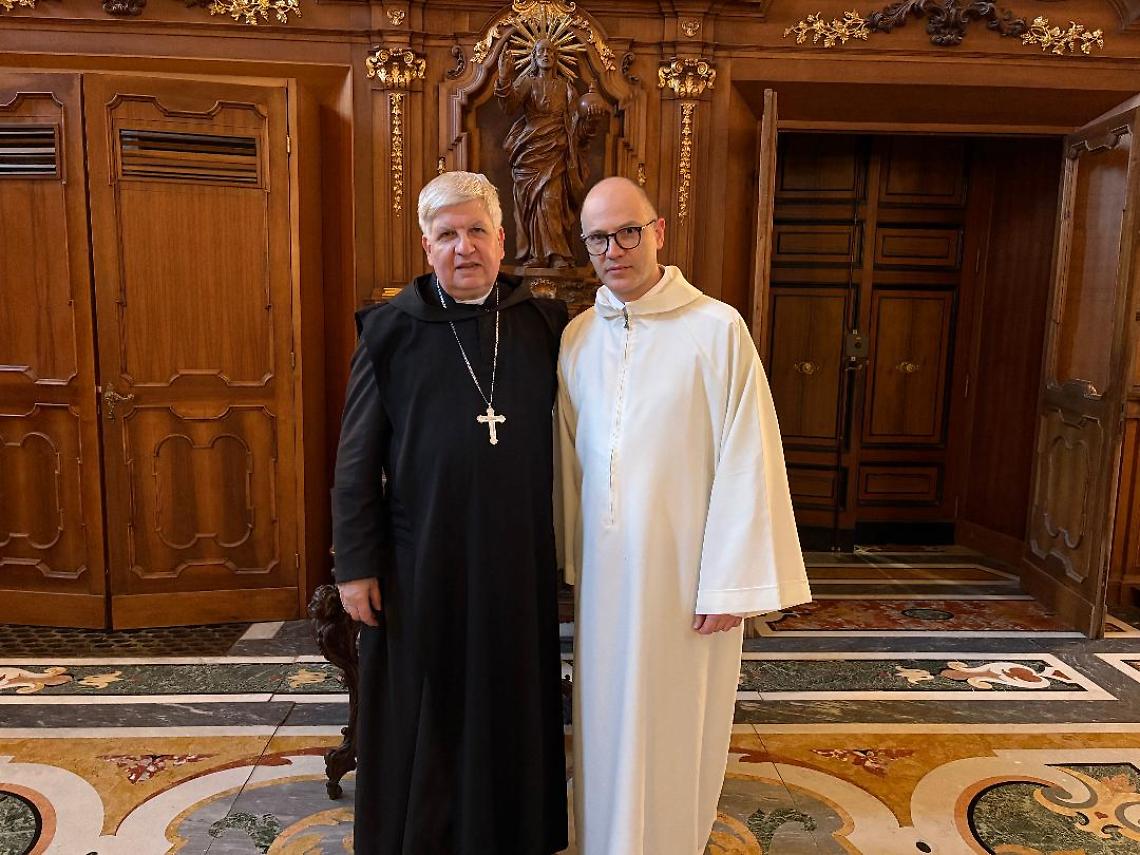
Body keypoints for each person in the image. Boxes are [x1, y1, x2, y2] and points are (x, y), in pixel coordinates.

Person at [557, 176, 811, 855]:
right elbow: (569, 463)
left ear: (659, 232)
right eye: (598, 239)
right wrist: (570, 559)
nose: (614, 250)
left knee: (676, 724)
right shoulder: (578, 338)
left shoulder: (717, 330)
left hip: (687, 588)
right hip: (607, 585)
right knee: (606, 723)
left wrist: (730, 583)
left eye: (628, 231)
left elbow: (749, 457)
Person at [332, 171, 569, 855]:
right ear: (426, 246)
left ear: (502, 238)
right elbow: (355, 459)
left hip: (517, 558)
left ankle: (509, 833)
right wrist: (355, 565)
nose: (463, 247)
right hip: (421, 559)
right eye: (446, 235)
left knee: (509, 697)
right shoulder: (390, 332)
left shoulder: (544, 325)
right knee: (426, 704)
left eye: (476, 231)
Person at [495, 36, 605, 268]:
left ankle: (557, 254)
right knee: (531, 206)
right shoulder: (528, 82)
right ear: (534, 57)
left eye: (550, 52)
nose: (546, 55)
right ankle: (537, 255)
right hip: (529, 152)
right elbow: (509, 106)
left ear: (556, 58)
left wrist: (591, 119)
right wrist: (504, 77)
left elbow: (577, 127)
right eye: (541, 51)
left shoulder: (566, 88)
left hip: (557, 151)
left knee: (551, 199)